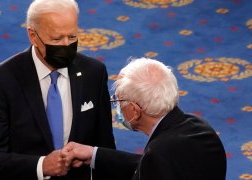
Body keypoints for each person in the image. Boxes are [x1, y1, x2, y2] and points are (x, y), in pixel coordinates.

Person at [0, 0, 116, 179]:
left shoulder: (93, 73)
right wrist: (42, 166)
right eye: (57, 39)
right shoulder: (1, 81)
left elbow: (105, 150)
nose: (66, 45)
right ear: (33, 36)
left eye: (72, 37)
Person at [61, 58, 227, 180]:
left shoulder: (158, 154)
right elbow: (152, 165)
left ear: (134, 110)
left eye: (118, 101)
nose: (116, 107)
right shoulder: (199, 127)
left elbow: (154, 165)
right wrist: (94, 155)